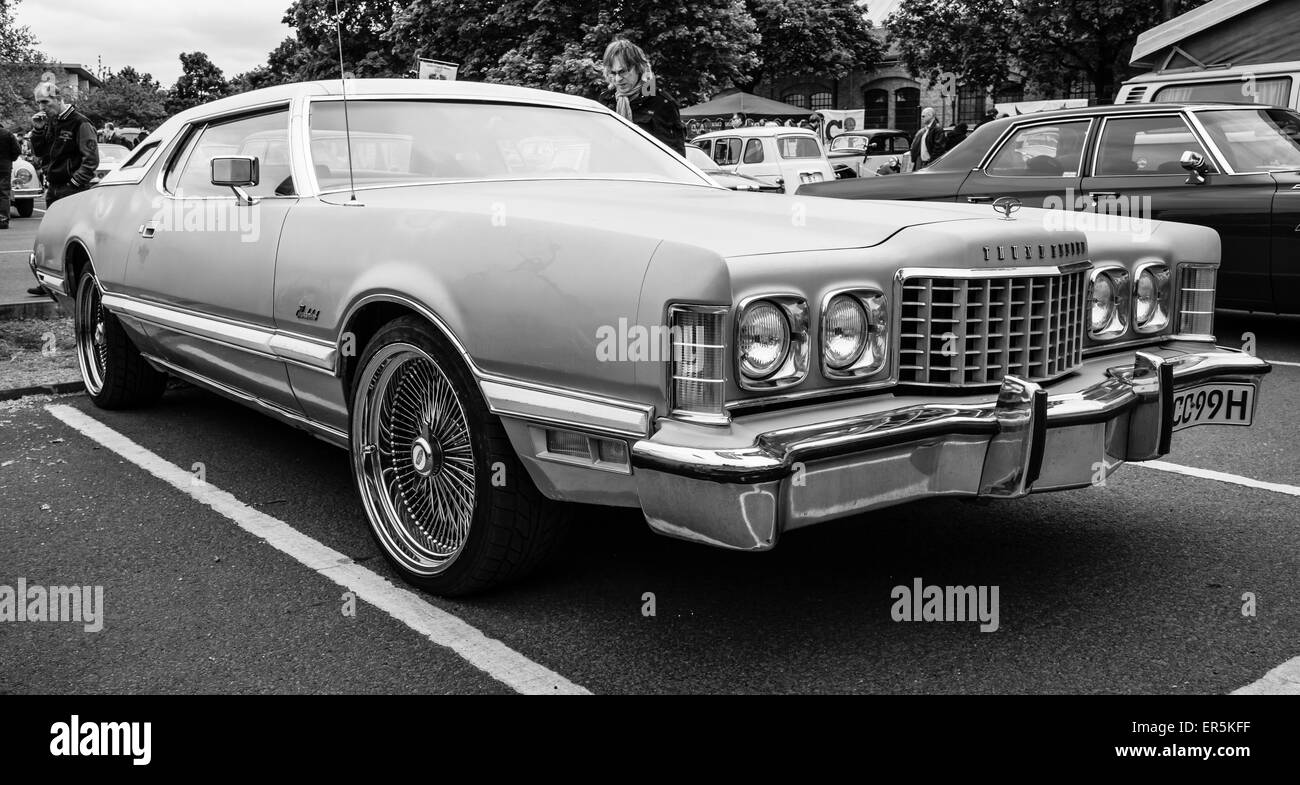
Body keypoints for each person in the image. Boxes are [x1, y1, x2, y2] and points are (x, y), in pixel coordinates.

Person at [27, 82, 98, 295]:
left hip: (71, 190)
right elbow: (40, 152)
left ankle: (78, 285)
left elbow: (91, 159)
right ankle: (49, 281)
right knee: (51, 237)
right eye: (39, 102)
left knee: (73, 238)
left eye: (46, 102)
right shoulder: (50, 122)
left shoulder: (80, 123)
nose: (42, 107)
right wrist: (37, 130)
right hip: (55, 188)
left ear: (58, 99)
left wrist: (74, 184)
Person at [602, 38, 686, 156]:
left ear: (638, 68)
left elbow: (675, 157)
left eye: (623, 72)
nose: (618, 79)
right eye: (613, 73)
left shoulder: (661, 102)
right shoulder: (605, 100)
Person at [0, 119, 21, 230]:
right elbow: (17, 150)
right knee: (4, 193)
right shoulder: (7, 134)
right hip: (4, 167)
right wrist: (10, 159)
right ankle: (2, 219)